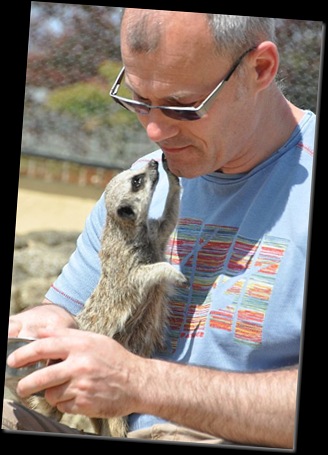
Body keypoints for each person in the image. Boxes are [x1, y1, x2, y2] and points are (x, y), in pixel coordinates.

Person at [2, 9, 316, 449]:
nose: (153, 129)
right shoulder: (138, 187)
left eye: (181, 107)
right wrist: (39, 332)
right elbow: (72, 314)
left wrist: (140, 383)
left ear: (260, 69)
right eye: (137, 99)